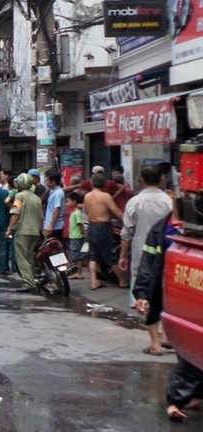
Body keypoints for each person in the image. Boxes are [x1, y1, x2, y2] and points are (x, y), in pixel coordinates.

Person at [126, 201, 201, 421]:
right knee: (188, 352)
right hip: (168, 289)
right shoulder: (162, 227)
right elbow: (150, 262)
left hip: (187, 293)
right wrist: (141, 292)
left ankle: (189, 396)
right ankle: (180, 398)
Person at [119, 164, 173, 355]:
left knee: (145, 296)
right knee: (166, 295)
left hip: (143, 255)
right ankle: (166, 336)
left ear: (141, 180)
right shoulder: (169, 201)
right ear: (162, 179)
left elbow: (127, 232)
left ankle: (155, 344)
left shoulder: (135, 202)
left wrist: (122, 256)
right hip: (167, 254)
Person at [84, 172, 126, 290]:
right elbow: (116, 211)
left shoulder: (87, 196)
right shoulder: (105, 196)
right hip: (103, 228)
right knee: (111, 255)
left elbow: (86, 212)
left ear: (92, 183)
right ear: (104, 184)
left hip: (92, 226)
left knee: (93, 256)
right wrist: (127, 220)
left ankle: (93, 281)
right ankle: (122, 280)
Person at [6, 173, 44, 293]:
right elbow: (41, 217)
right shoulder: (36, 198)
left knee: (21, 257)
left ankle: (29, 283)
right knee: (29, 257)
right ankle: (30, 279)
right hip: (35, 231)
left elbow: (15, 213)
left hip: (23, 231)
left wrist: (9, 228)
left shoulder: (19, 196)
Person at [66, 192, 87, 280]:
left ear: (74, 202)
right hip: (73, 236)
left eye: (68, 201)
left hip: (77, 237)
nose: (66, 203)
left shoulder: (77, 213)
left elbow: (80, 225)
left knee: (77, 256)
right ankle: (75, 272)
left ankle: (79, 273)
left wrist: (83, 234)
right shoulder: (74, 212)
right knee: (74, 255)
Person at [43, 172, 66, 243]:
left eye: (47, 180)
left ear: (53, 181)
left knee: (54, 249)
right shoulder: (52, 192)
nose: (45, 182)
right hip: (51, 226)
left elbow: (57, 209)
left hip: (55, 227)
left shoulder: (58, 193)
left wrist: (51, 226)